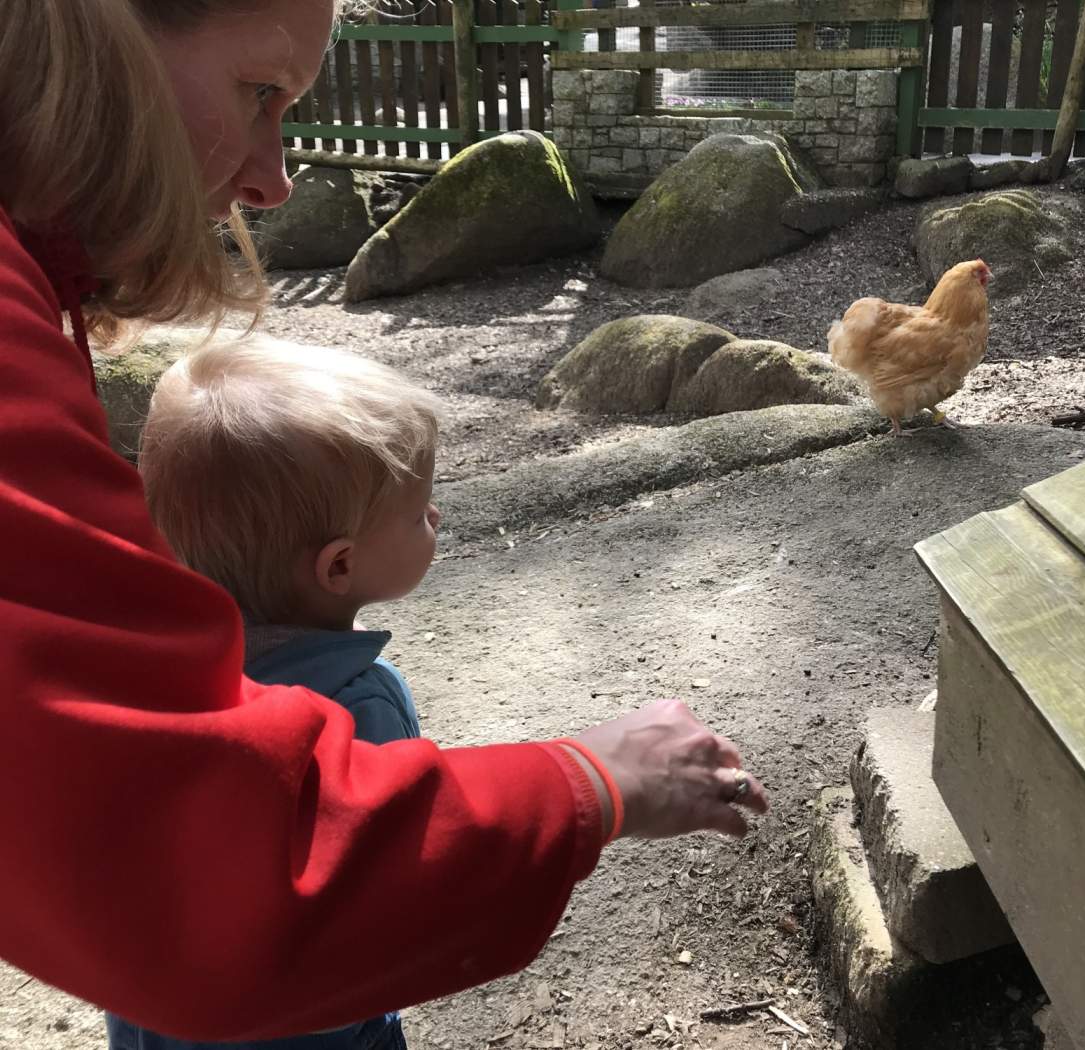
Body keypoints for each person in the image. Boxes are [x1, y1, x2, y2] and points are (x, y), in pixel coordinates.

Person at [0, 0, 768, 1042]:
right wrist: (592, 781)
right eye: (259, 93)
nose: (272, 180)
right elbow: (227, 882)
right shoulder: (361, 697)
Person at [106, 337, 449, 1050]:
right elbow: (397, 888)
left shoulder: (146, 678)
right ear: (340, 566)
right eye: (420, 510)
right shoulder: (358, 706)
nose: (436, 518)